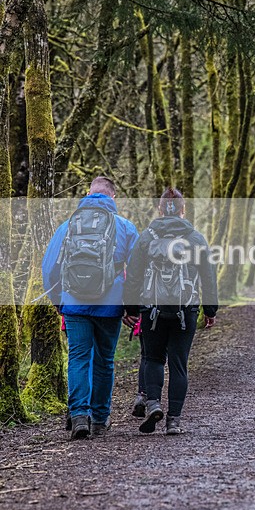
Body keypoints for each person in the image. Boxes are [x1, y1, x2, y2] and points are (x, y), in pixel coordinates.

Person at [42, 176, 139, 439]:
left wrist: (59, 302)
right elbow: (138, 271)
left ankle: (78, 416)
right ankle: (99, 418)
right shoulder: (125, 227)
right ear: (114, 197)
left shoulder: (68, 226)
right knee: (104, 361)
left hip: (74, 304)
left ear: (88, 194)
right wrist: (132, 308)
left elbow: (49, 268)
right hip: (110, 306)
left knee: (78, 358)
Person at [123, 187, 218, 435]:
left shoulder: (147, 237)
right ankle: (174, 420)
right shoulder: (195, 238)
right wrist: (210, 309)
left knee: (153, 358)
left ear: (160, 209)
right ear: (183, 210)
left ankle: (154, 403)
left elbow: (133, 275)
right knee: (178, 364)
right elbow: (208, 276)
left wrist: (131, 309)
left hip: (152, 309)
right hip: (185, 310)